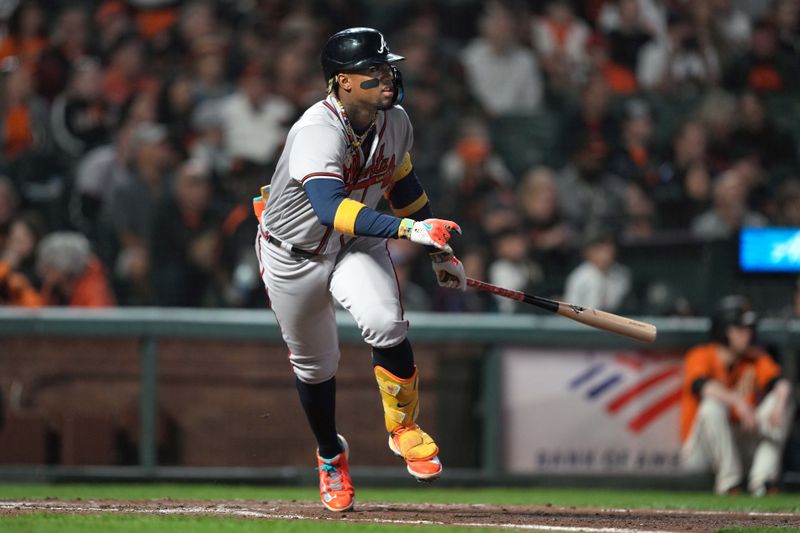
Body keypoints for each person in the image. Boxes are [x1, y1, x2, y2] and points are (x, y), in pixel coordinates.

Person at [253, 27, 465, 513]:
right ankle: (331, 454)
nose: (386, 76)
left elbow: (403, 181)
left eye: (387, 67)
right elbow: (329, 208)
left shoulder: (396, 121)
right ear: (342, 82)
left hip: (355, 244)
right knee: (315, 365)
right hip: (292, 252)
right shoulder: (316, 129)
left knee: (386, 323)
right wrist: (409, 232)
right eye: (373, 70)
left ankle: (404, 428)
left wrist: (438, 251)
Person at [680, 296, 795, 495]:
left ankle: (763, 482)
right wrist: (738, 402)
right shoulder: (701, 354)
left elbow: (781, 384)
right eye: (740, 329)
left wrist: (780, 403)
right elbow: (701, 386)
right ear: (724, 330)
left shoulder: (755, 358)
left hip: (741, 444)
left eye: (749, 329)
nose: (747, 334)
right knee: (711, 406)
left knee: (784, 400)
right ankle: (729, 483)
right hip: (703, 453)